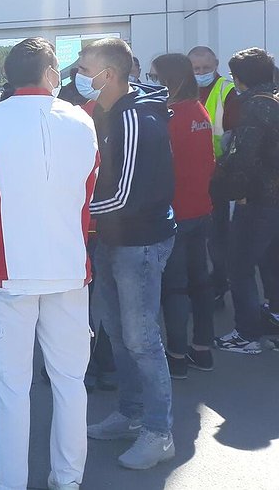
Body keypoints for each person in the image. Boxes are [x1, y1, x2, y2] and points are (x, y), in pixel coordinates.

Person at [0, 39, 98, 490]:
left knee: (12, 386)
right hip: (69, 266)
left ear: (8, 75)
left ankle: (9, 482)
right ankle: (68, 480)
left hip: (7, 270)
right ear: (51, 73)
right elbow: (89, 187)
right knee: (71, 380)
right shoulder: (82, 121)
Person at [76, 39, 177, 471]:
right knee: (119, 334)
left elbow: (123, 195)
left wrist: (71, 212)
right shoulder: (108, 112)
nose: (78, 75)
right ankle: (132, 414)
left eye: (84, 68)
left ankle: (159, 432)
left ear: (109, 75)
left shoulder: (135, 117)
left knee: (143, 340)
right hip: (114, 241)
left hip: (140, 242)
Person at [149, 55, 216, 376]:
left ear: (168, 80)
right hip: (201, 209)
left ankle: (176, 355)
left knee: (175, 288)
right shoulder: (198, 110)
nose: (149, 81)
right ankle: (202, 349)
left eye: (153, 76)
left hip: (175, 214)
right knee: (199, 283)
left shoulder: (170, 116)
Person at [211, 48, 279, 355]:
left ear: (239, 78)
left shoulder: (253, 106)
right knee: (271, 263)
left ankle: (247, 333)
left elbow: (246, 158)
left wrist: (231, 185)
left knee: (239, 266)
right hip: (275, 198)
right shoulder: (275, 100)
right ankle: (273, 320)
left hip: (256, 199)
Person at [188, 46, 239, 301]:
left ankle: (219, 284)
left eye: (206, 69)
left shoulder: (226, 90)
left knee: (217, 236)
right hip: (193, 175)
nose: (201, 73)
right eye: (196, 69)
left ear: (216, 64)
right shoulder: (186, 90)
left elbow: (232, 136)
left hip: (217, 174)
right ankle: (203, 283)